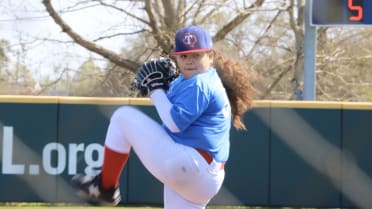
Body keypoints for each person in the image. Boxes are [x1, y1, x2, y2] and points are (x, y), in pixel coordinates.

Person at [71, 25, 257, 209]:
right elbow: (175, 107)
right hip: (205, 177)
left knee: (122, 117)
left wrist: (155, 89)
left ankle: (106, 187)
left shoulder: (200, 83)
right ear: (176, 57)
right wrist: (163, 89)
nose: (190, 61)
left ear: (210, 56)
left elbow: (174, 123)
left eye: (196, 55)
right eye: (184, 56)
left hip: (191, 165)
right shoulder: (196, 80)